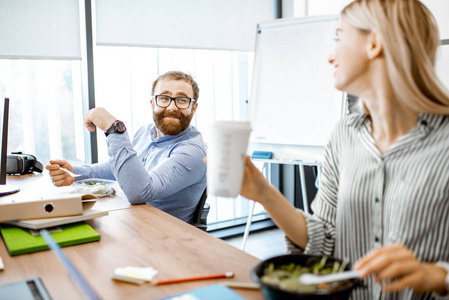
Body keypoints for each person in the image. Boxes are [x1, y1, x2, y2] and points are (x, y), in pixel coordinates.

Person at [240, 0, 449, 298]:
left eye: (339, 36)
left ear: (374, 43)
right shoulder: (343, 135)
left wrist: (437, 276)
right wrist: (264, 193)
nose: (330, 56)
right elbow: (325, 237)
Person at [46, 71, 207, 223]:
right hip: (131, 222)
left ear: (194, 108)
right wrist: (75, 173)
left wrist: (114, 129)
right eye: (164, 98)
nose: (172, 107)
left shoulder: (193, 152)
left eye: (182, 100)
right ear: (152, 103)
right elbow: (122, 169)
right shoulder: (146, 132)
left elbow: (140, 192)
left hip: (163, 239)